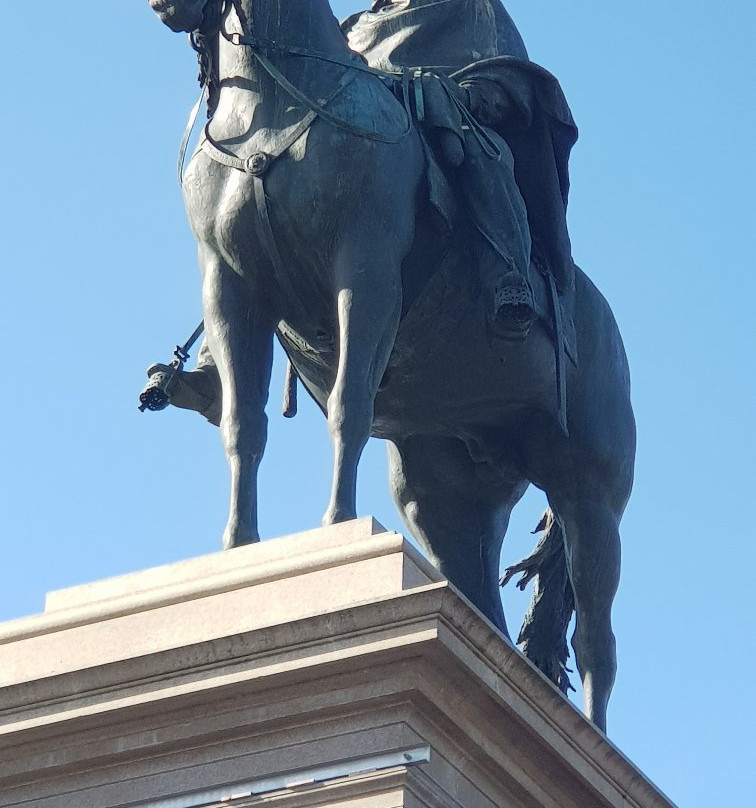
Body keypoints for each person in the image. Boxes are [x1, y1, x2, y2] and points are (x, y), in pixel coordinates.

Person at [149, 0, 577, 418]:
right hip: (365, 150)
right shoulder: (358, 26)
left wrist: (462, 93)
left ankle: (507, 276)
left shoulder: (470, 8)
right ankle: (216, 365)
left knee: (489, 151)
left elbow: (510, 83)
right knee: (248, 222)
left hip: (442, 125)